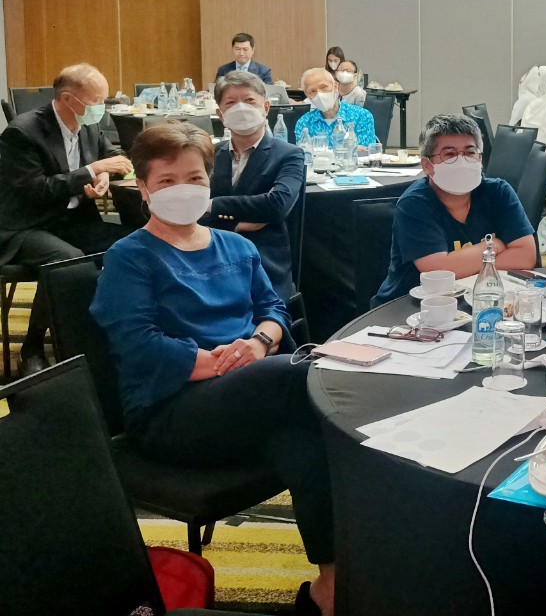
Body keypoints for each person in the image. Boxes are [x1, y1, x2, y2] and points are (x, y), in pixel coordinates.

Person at [89, 124, 333, 616]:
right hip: (170, 413)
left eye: (194, 178)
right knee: (305, 373)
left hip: (250, 395)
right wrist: (227, 366)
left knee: (306, 437)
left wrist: (259, 343)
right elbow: (138, 344)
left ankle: (330, 588)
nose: (183, 189)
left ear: (209, 182)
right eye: (166, 181)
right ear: (143, 189)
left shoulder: (236, 246)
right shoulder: (129, 257)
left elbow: (274, 309)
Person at [0, 63, 133, 372]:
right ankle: (33, 347)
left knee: (130, 243)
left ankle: (97, 335)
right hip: (26, 225)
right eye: (96, 101)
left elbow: (112, 157)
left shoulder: (88, 125)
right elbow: (35, 191)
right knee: (67, 261)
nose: (101, 107)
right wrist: (91, 171)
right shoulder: (23, 132)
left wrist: (103, 177)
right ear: (68, 100)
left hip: (70, 219)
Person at [372, 115, 535, 306]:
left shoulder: (498, 192)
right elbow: (439, 272)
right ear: (427, 166)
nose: (462, 161)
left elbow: (526, 256)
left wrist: (465, 264)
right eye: (449, 154)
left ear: (480, 158)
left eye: (470, 152)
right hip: (410, 307)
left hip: (475, 300)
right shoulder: (414, 203)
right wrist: (493, 247)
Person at [201, 72, 306, 301]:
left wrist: (212, 205)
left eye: (250, 101)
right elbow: (190, 210)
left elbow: (277, 205)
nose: (241, 108)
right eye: (230, 103)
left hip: (263, 261)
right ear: (220, 114)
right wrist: (235, 225)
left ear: (266, 107)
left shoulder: (289, 154)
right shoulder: (208, 154)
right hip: (209, 256)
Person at [293, 67, 376, 148]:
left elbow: (366, 153)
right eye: (312, 91)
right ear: (307, 95)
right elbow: (304, 154)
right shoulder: (304, 123)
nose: (319, 94)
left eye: (323, 87)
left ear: (335, 86)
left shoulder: (361, 116)